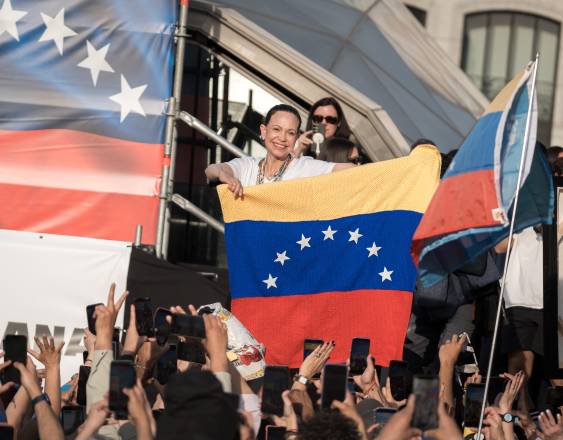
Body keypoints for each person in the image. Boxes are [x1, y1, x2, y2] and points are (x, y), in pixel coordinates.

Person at [205, 103, 354, 198]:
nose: (282, 138)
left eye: (290, 133)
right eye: (276, 129)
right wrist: (225, 176)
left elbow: (346, 170)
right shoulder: (248, 165)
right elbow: (211, 170)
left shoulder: (304, 166)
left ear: (296, 137)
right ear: (264, 131)